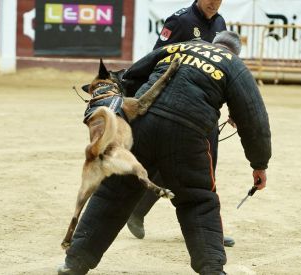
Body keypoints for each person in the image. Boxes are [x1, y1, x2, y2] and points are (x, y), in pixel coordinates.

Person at [58, 31, 272, 275]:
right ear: (235, 51)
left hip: (141, 124)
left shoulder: (180, 47)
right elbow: (255, 120)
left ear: (214, 43)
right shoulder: (235, 66)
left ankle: (74, 263)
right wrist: (259, 164)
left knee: (113, 193)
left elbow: (131, 75)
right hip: (187, 134)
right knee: (197, 201)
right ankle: (212, 270)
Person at [127, 0, 236, 247]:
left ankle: (207, 229)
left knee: (206, 168)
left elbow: (224, 67)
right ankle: (139, 210)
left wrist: (234, 107)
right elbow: (156, 60)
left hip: (207, 109)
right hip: (176, 106)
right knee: (175, 164)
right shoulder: (181, 21)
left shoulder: (220, 22)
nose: (214, 3)